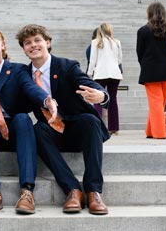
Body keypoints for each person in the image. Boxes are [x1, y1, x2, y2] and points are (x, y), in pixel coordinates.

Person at [17, 24, 110, 215]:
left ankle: (93, 191)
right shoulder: (23, 75)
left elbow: (89, 84)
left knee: (90, 120)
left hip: (77, 129)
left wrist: (102, 96)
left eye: (37, 40)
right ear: (24, 49)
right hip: (52, 133)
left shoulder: (67, 66)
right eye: (27, 43)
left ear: (47, 42)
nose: (33, 45)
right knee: (38, 130)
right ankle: (73, 190)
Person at [0, 27, 56, 216]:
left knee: (23, 118)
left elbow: (29, 87)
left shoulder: (17, 70)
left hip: (16, 129)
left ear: (2, 45)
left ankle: (27, 191)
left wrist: (46, 99)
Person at [136, 3, 166, 139]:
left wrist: (145, 65)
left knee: (156, 102)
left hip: (150, 69)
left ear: (149, 13)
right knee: (160, 102)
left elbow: (139, 53)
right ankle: (156, 132)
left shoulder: (143, 30)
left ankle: (154, 132)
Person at [87, 23, 123, 135]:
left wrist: (89, 73)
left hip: (100, 73)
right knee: (113, 100)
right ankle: (114, 128)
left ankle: (98, 126)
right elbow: (119, 60)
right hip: (115, 74)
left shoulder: (95, 42)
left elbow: (92, 60)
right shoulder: (117, 42)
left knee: (97, 100)